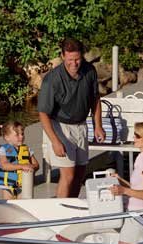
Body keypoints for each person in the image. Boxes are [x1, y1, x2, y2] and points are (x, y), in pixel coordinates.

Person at [38, 38, 106, 198]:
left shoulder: (89, 71)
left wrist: (98, 125)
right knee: (67, 175)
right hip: (60, 127)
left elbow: (95, 99)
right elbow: (43, 113)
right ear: (62, 56)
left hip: (81, 125)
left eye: (77, 59)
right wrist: (55, 141)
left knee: (79, 174)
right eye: (70, 60)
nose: (74, 64)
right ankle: (60, 214)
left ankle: (72, 207)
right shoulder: (52, 79)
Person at [110, 121, 143, 244]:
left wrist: (123, 190)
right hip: (136, 215)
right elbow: (139, 188)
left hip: (140, 217)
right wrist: (121, 181)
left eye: (136, 135)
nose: (133, 138)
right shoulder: (142, 157)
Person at [0, 121, 40, 200]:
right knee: (9, 207)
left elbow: (36, 165)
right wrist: (22, 166)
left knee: (23, 205)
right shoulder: (3, 149)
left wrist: (31, 167)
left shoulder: (27, 149)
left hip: (23, 184)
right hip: (7, 186)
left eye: (22, 134)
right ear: (7, 137)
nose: (21, 137)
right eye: (17, 135)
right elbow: (4, 165)